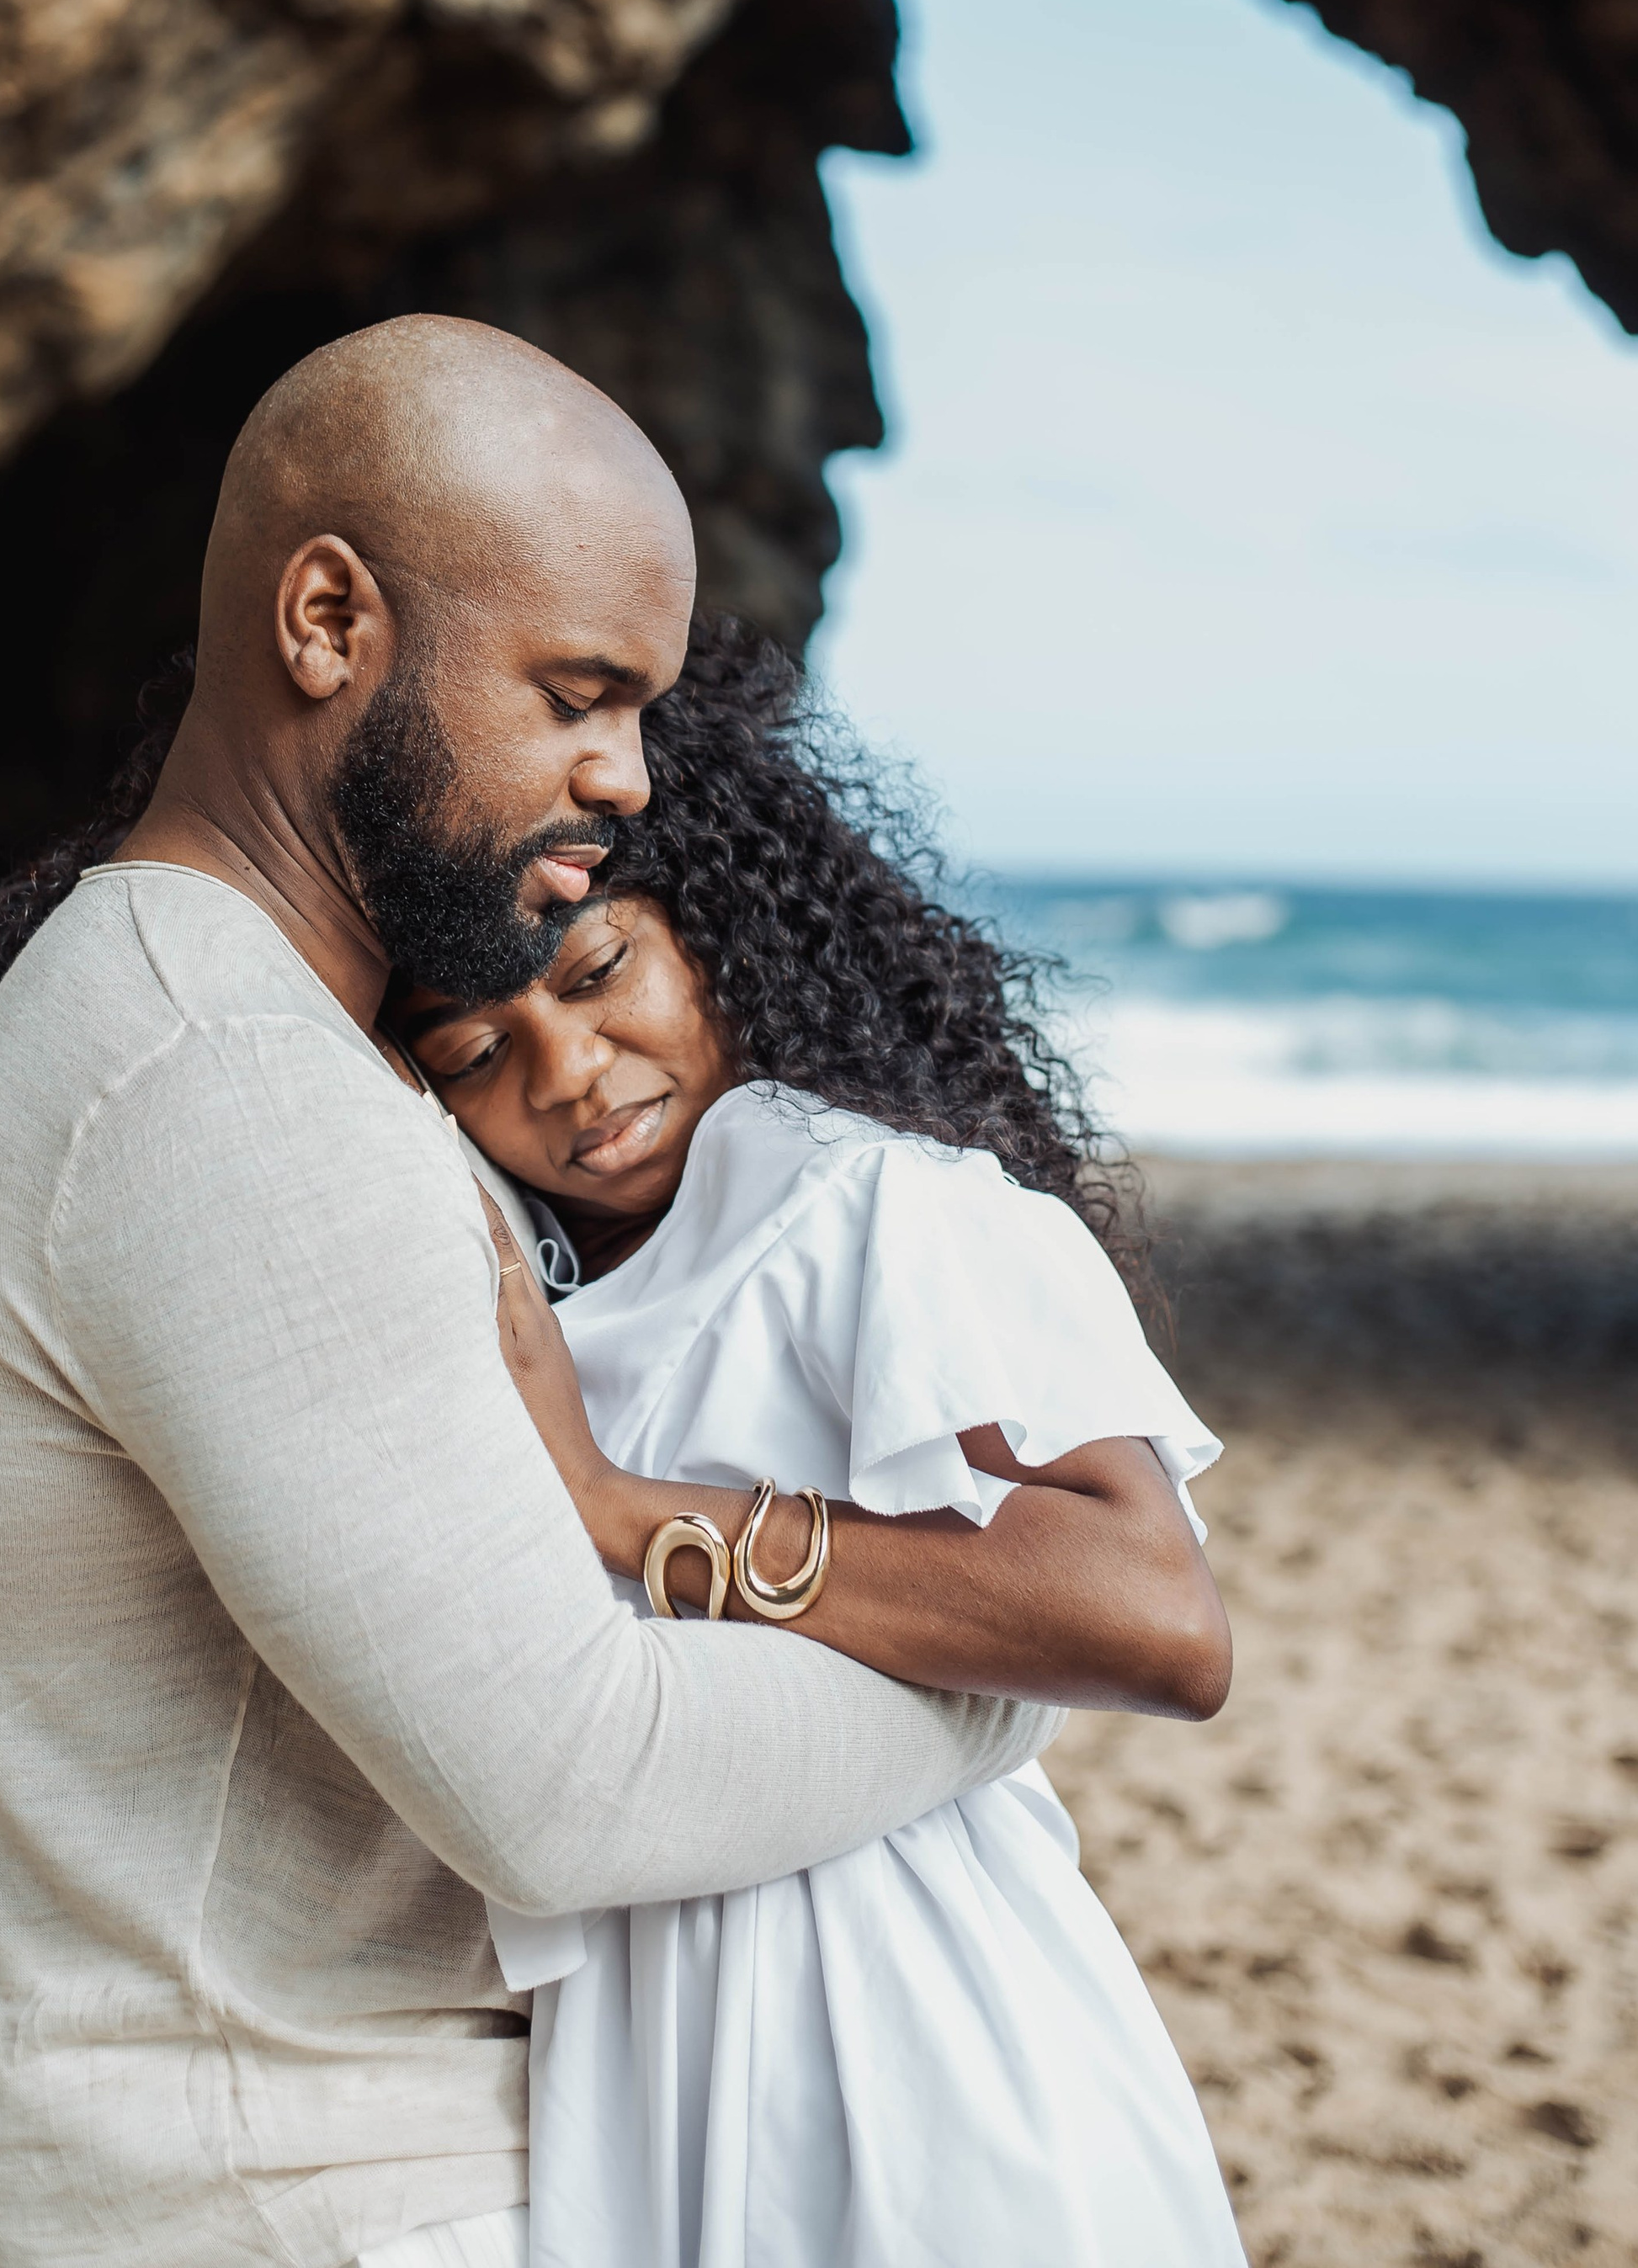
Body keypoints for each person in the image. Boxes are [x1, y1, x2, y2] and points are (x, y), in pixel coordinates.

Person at [0, 319, 1065, 2268]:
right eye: (576, 693)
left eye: (639, 711)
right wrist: (1011, 1678)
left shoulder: (236, 1034)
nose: (621, 777)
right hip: (288, 2201)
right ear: (328, 622)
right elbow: (574, 1783)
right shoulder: (216, 1080)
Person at [392, 619, 1245, 2268]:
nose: (566, 1074)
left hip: (913, 2043)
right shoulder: (542, 1290)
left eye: (598, 973)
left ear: (710, 926)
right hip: (640, 2068)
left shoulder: (868, 1203)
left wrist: (620, 1509)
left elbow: (1154, 1613)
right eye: (472, 1053)